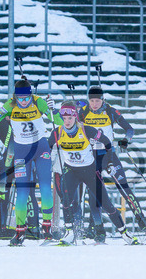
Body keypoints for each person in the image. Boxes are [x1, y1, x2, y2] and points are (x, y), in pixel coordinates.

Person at [50, 102, 141, 245]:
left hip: (89, 171)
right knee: (66, 201)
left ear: (75, 117)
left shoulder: (87, 130)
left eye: (70, 118)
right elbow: (48, 148)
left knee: (106, 204)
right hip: (71, 170)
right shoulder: (57, 132)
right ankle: (69, 233)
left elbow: (107, 144)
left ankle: (124, 233)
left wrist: (110, 163)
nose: (67, 122)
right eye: (64, 118)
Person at [0, 76, 61, 246]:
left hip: (41, 148)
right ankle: (20, 231)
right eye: (20, 99)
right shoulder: (10, 105)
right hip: (22, 151)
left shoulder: (38, 102)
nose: (24, 102)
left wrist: (53, 110)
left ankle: (47, 228)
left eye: (27, 98)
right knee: (22, 192)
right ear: (15, 97)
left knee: (44, 187)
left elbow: (59, 122)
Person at [79, 86, 146, 236]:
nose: (94, 104)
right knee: (94, 193)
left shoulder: (110, 111)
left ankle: (143, 223)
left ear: (103, 100)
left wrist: (126, 140)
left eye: (97, 100)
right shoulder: (83, 112)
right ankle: (97, 228)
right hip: (90, 157)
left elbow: (129, 129)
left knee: (124, 188)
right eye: (92, 100)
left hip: (109, 155)